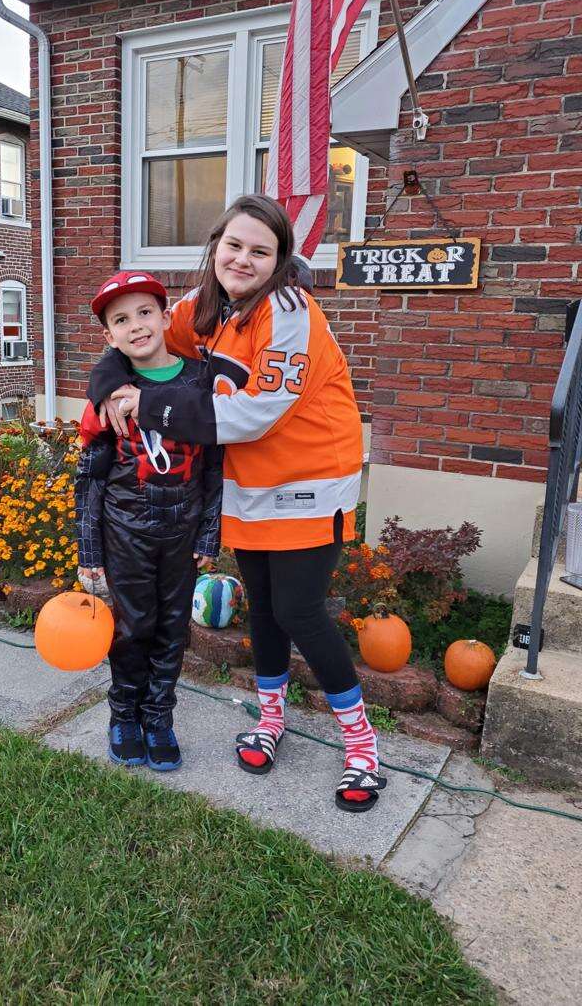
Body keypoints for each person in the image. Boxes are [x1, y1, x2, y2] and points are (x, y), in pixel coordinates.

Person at [88, 195, 385, 812]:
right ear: (216, 245)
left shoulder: (291, 309)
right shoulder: (201, 309)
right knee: (266, 612)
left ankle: (361, 747)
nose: (243, 259)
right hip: (246, 486)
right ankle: (271, 720)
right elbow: (127, 344)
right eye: (234, 245)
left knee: (302, 611)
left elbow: (254, 414)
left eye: (261, 250)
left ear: (279, 260)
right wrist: (111, 388)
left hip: (308, 481)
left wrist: (146, 406)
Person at [74, 270, 222, 772]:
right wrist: (89, 552)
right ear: (108, 336)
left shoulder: (199, 379)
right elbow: (90, 479)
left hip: (182, 530)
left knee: (172, 628)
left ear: (164, 317)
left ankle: (159, 717)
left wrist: (209, 530)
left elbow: (217, 465)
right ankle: (125, 716)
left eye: (144, 313)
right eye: (121, 320)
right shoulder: (110, 396)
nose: (136, 326)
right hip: (125, 532)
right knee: (132, 627)